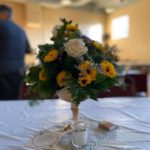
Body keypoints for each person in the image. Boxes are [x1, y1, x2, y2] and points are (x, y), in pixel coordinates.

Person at [0, 5, 31, 100]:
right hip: (19, 73)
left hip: (2, 73)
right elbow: (28, 50)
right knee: (13, 103)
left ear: (2, 14)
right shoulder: (21, 30)